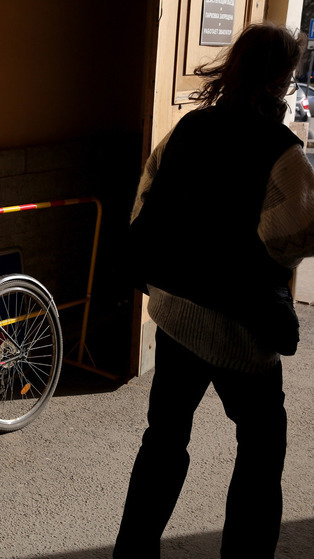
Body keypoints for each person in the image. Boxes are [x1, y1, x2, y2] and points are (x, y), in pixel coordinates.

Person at [114, 23, 314, 559]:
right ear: (280, 78)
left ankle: (132, 552)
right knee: (261, 448)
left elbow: (145, 203)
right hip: (241, 330)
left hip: (176, 311)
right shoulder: (282, 151)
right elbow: (292, 235)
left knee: (163, 438)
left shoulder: (189, 128)